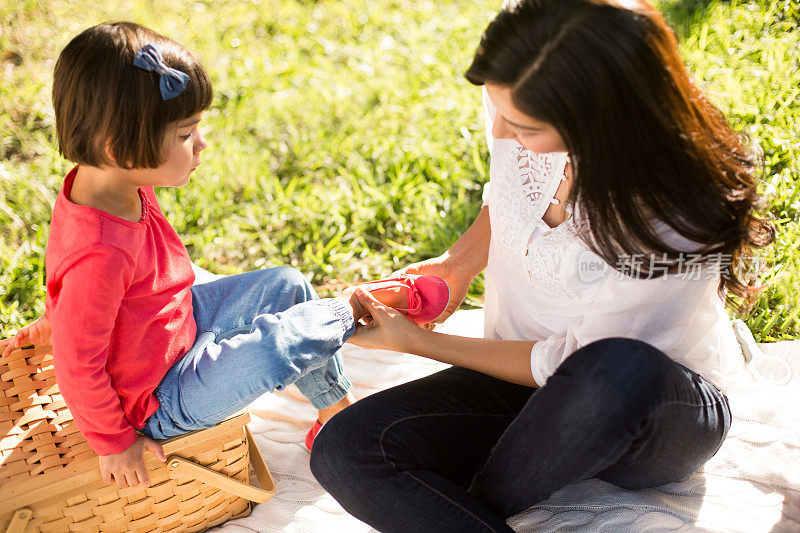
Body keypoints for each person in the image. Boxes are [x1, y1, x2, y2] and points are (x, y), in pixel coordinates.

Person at [310, 0, 775, 531]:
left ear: (597, 117)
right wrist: (456, 265)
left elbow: (576, 362)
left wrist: (420, 345)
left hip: (645, 410)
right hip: (518, 380)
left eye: (524, 126)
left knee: (612, 371)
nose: (503, 133)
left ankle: (479, 495)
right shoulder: (526, 90)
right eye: (496, 108)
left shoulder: (675, 207)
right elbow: (509, 196)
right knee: (344, 448)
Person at [0, 22, 449, 490]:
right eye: (185, 133)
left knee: (287, 285)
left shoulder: (113, 183)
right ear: (119, 147)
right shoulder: (99, 252)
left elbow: (73, 293)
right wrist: (114, 442)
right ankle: (359, 307)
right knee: (273, 350)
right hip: (160, 398)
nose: (202, 144)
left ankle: (335, 417)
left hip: (179, 323)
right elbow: (78, 363)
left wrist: (55, 317)